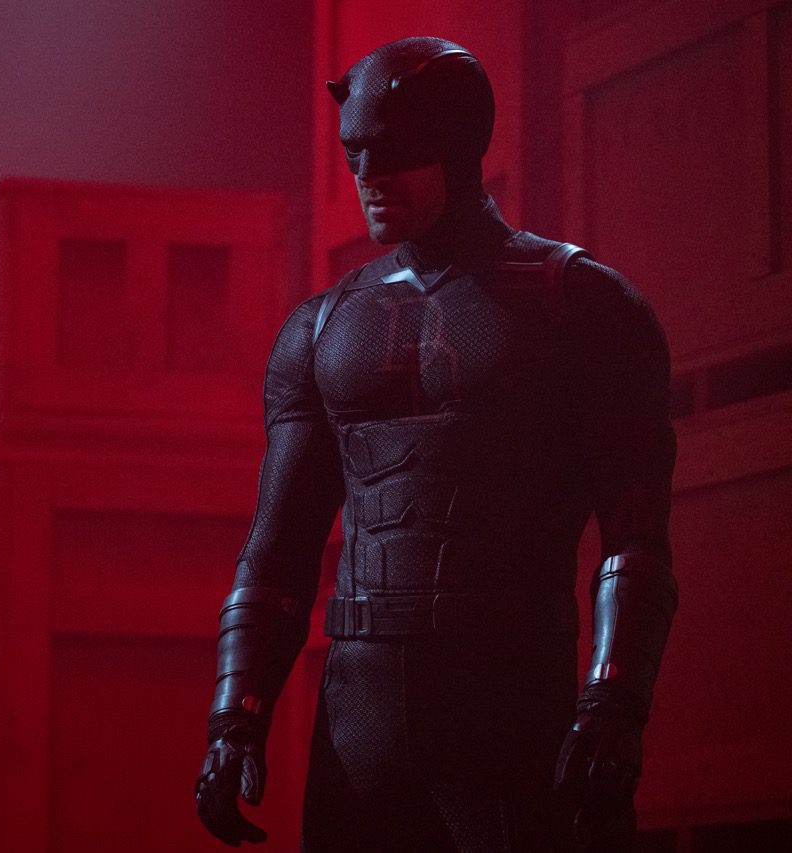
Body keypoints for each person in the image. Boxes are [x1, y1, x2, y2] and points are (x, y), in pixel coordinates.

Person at [194, 37, 677, 852]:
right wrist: (234, 716)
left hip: (508, 703)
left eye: (394, 153)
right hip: (360, 717)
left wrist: (614, 701)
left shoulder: (580, 305)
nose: (370, 176)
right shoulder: (320, 330)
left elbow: (635, 537)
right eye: (355, 154)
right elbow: (277, 550)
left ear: (458, 147)